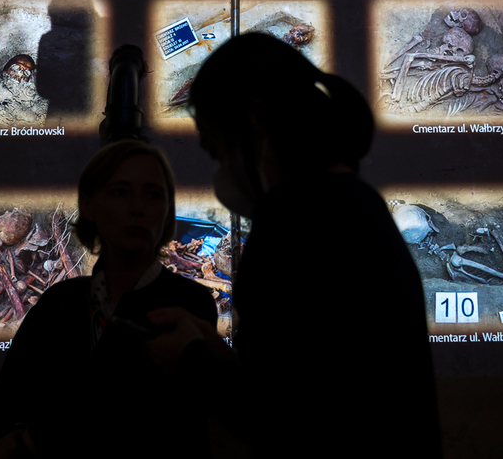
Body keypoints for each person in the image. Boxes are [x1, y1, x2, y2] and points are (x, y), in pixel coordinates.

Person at [148, 33, 442, 457]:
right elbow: (324, 379)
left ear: (255, 121)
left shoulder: (292, 220)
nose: (221, 172)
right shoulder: (357, 203)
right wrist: (217, 354)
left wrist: (193, 361)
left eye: (218, 151)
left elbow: (283, 420)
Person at [0, 140, 217, 458]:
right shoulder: (57, 304)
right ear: (89, 205)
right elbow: (7, 407)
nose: (138, 207)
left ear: (167, 211)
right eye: (120, 192)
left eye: (153, 194)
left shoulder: (190, 304)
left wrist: (33, 439)